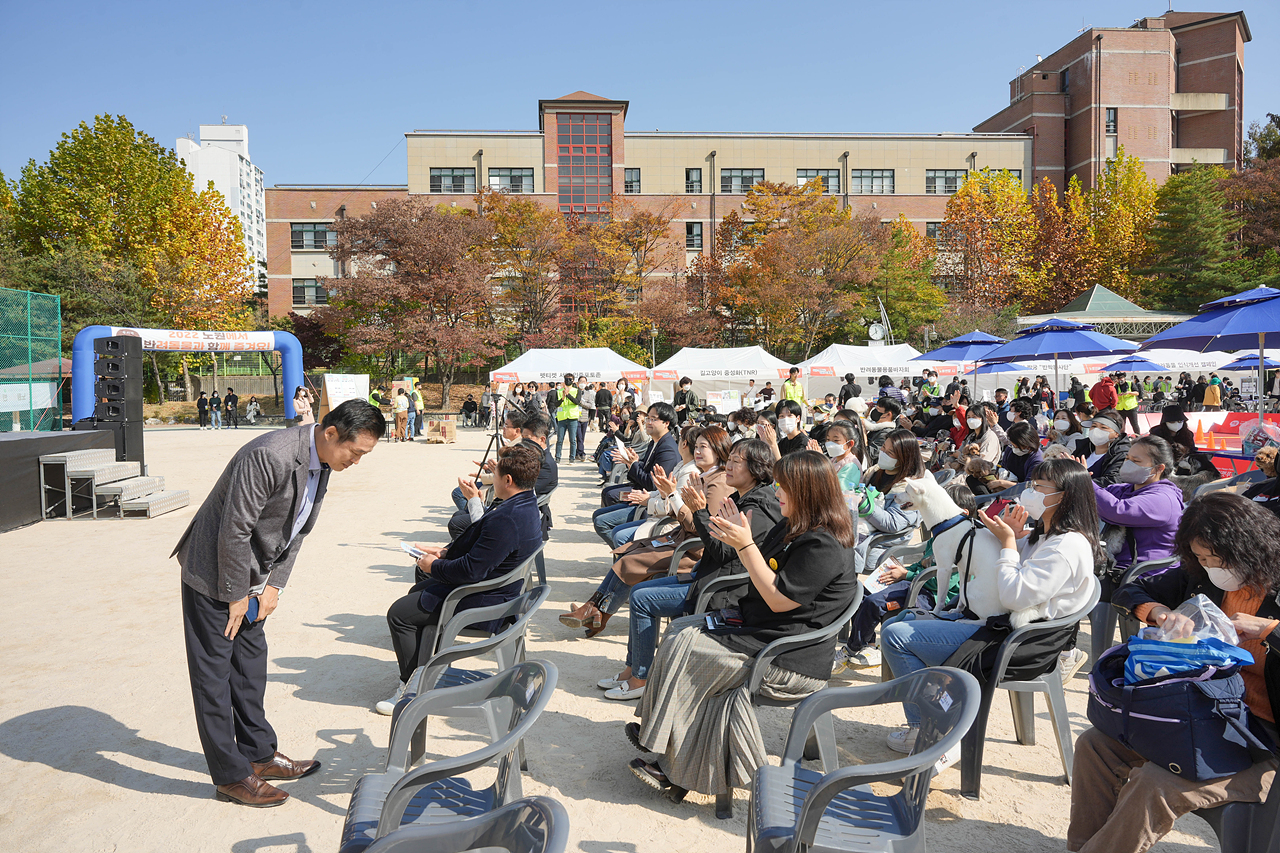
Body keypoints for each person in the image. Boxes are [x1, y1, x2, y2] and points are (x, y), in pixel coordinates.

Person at [174, 400, 384, 805]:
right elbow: (234, 529)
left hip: (252, 576)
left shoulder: (323, 463)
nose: (357, 462)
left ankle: (258, 754)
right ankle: (230, 776)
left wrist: (274, 587)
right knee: (214, 677)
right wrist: (236, 594)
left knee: (249, 667)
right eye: (355, 453)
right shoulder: (269, 455)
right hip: (214, 571)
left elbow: (299, 529)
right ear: (330, 434)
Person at [627, 451, 860, 802]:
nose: (777, 490)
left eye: (785, 485)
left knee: (689, 647)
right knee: (679, 631)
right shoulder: (794, 525)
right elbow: (751, 566)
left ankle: (671, 759)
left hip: (788, 656)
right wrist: (730, 532)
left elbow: (779, 598)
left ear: (809, 492)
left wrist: (746, 543)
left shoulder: (823, 543)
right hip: (768, 631)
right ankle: (661, 740)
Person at [1071, 492, 1280, 853]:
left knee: (1156, 781)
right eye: (1200, 557)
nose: (1209, 564)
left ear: (1247, 545)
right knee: (1094, 745)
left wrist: (1269, 629)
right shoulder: (1205, 578)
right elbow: (1130, 589)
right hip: (1201, 718)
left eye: (1215, 556)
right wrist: (1158, 612)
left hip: (1261, 743)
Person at [881, 457, 1100, 752]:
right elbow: (1003, 563)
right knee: (900, 619)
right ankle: (937, 715)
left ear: (1063, 496)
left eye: (1038, 486)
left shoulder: (1067, 546)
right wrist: (1006, 536)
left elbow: (1014, 595)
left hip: (1017, 642)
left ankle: (928, 729)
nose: (1030, 492)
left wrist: (1009, 543)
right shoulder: (1046, 537)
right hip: (1003, 627)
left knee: (897, 637)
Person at [599, 439, 784, 700]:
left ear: (756, 468)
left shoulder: (757, 507)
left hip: (722, 588)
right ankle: (632, 668)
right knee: (639, 588)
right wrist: (697, 509)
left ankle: (641, 677)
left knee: (641, 599)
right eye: (728, 459)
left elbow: (723, 553)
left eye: (736, 461)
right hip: (707, 573)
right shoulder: (742, 497)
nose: (728, 465)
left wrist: (699, 511)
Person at [380, 444, 544, 715]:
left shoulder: (508, 517)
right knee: (416, 591)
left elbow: (470, 571)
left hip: (485, 600)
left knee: (399, 614)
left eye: (495, 474)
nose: (489, 479)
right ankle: (428, 669)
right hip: (500, 590)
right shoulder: (525, 505)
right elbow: (488, 551)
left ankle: (411, 690)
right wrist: (443, 553)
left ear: (507, 480)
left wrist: (435, 566)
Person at [564, 426, 733, 642]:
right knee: (630, 550)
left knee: (632, 558)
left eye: (703, 447)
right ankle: (595, 608)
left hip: (693, 549)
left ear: (718, 450)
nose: (697, 451)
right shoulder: (703, 475)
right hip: (681, 537)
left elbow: (697, 525)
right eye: (696, 446)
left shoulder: (716, 482)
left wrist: (671, 494)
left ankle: (597, 611)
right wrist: (668, 493)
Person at [835, 481, 975, 671]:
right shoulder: (939, 532)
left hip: (931, 596)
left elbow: (943, 581)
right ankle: (868, 645)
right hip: (917, 582)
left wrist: (907, 574)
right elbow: (925, 562)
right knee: (864, 591)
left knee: (875, 603)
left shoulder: (962, 540)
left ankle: (851, 650)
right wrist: (903, 571)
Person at [857, 428, 926, 573]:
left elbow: (892, 523)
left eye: (890, 453)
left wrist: (864, 504)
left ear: (904, 458)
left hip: (877, 546)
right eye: (883, 448)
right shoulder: (875, 471)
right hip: (860, 531)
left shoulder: (909, 488)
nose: (883, 453)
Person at [600, 402, 681, 509]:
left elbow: (652, 484)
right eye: (648, 418)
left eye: (653, 419)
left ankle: (622, 522)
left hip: (648, 497)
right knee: (606, 492)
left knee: (610, 497)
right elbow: (646, 469)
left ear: (666, 423)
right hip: (641, 487)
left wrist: (633, 464)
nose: (648, 422)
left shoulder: (668, 449)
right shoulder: (655, 441)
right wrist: (632, 462)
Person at [1074, 409, 1131, 486]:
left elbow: (1112, 481)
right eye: (1094, 426)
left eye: (1103, 427)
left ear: (1116, 433)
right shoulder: (1084, 447)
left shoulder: (1122, 454)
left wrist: (1082, 480)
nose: (1096, 430)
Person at [823, 419, 864, 491]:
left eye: (836, 440)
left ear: (850, 444)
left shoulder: (851, 466)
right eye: (828, 439)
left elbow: (838, 489)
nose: (830, 444)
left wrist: (820, 462)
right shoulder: (834, 459)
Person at [550, 373, 582, 463]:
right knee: (559, 439)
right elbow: (555, 404)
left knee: (572, 440)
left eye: (570, 379)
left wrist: (568, 395)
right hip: (562, 418)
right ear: (564, 380)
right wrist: (562, 398)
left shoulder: (577, 391)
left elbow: (577, 402)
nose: (568, 381)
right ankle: (558, 457)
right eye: (566, 379)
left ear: (573, 381)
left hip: (572, 417)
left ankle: (572, 458)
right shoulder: (559, 391)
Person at [576, 377, 596, 461]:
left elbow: (590, 405)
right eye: (580, 381)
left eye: (584, 381)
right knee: (579, 437)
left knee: (582, 437)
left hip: (584, 417)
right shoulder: (575, 392)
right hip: (575, 417)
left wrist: (581, 402)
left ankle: (577, 453)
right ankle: (582, 453)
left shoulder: (588, 393)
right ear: (577, 383)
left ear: (586, 383)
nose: (582, 383)